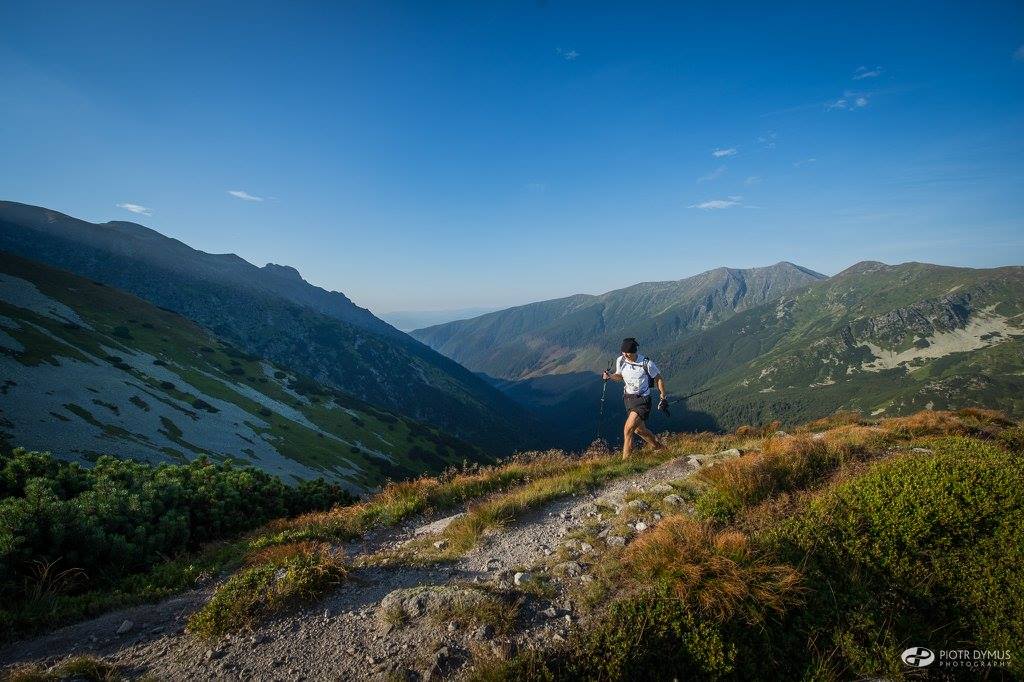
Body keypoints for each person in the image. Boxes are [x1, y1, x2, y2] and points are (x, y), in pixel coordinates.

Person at [602, 337, 668, 459]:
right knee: (639, 430)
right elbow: (619, 376)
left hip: (643, 400)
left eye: (628, 353)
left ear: (635, 351)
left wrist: (663, 397)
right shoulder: (621, 360)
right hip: (628, 398)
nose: (625, 355)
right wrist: (610, 376)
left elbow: (658, 379)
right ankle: (660, 448)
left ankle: (625, 463)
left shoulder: (646, 363)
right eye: (623, 352)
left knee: (628, 429)